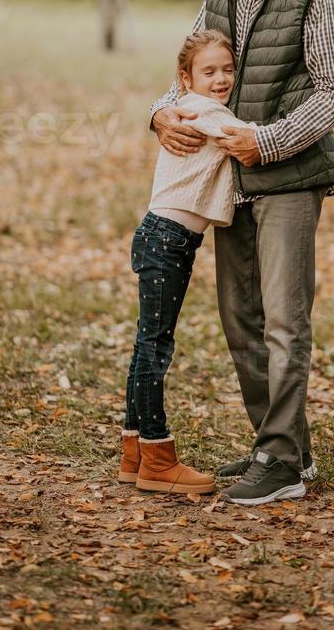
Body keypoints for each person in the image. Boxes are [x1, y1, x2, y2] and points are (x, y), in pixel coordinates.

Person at [150, 0, 334, 505]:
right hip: (228, 181)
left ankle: (283, 462)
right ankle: (280, 445)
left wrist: (267, 143)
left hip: (289, 177)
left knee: (285, 321)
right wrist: (159, 114)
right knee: (241, 320)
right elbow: (187, 74)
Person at [119, 29, 258, 495]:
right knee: (154, 346)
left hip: (164, 238)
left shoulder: (192, 106)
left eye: (227, 70)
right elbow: (247, 142)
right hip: (167, 240)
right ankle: (157, 456)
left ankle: (134, 451)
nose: (221, 79)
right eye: (209, 71)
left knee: (147, 343)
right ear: (186, 78)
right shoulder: (204, 111)